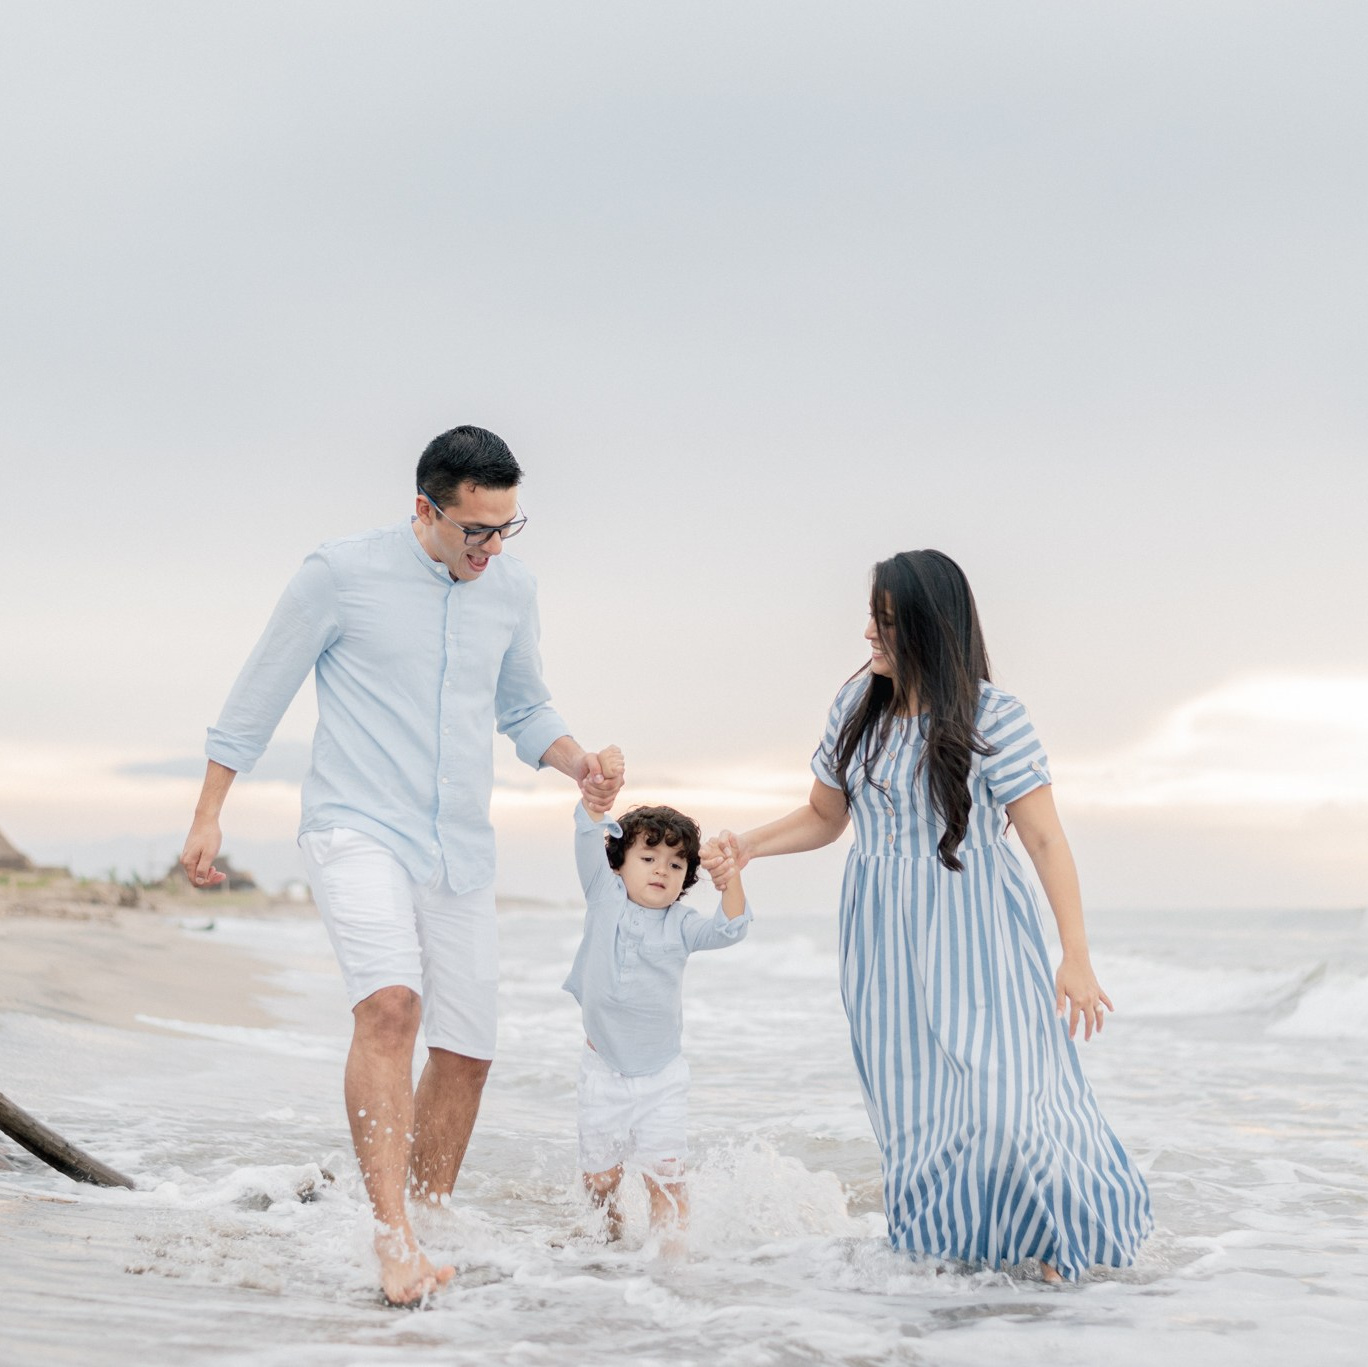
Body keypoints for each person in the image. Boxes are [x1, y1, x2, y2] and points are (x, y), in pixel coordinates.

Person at [179, 425, 623, 1306]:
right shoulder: (339, 573)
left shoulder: (512, 589)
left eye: (507, 527)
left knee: (467, 1050)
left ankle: (428, 1218)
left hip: (458, 844)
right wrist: (208, 811)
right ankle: (392, 1241)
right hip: (356, 825)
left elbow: (524, 705)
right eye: (476, 530)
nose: (493, 548)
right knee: (391, 1006)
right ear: (425, 509)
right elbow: (260, 688)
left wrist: (579, 764)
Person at [702, 550, 1152, 1281]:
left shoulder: (993, 715)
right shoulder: (856, 708)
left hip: (980, 930)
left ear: (927, 625)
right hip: (882, 937)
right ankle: (952, 1266)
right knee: (919, 1113)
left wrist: (1075, 954)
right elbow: (825, 815)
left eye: (885, 620)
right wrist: (748, 846)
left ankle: (1067, 1248)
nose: (869, 633)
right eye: (870, 617)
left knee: (1010, 1104)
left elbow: (1044, 838)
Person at [564, 748, 750, 1250]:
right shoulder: (603, 895)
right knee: (600, 1177)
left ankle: (669, 1260)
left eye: (675, 864)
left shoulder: (682, 924)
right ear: (619, 864)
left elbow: (730, 928)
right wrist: (598, 793)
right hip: (603, 1069)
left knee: (665, 1177)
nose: (661, 870)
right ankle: (606, 1233)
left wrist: (730, 878)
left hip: (662, 1076)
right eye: (647, 858)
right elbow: (587, 832)